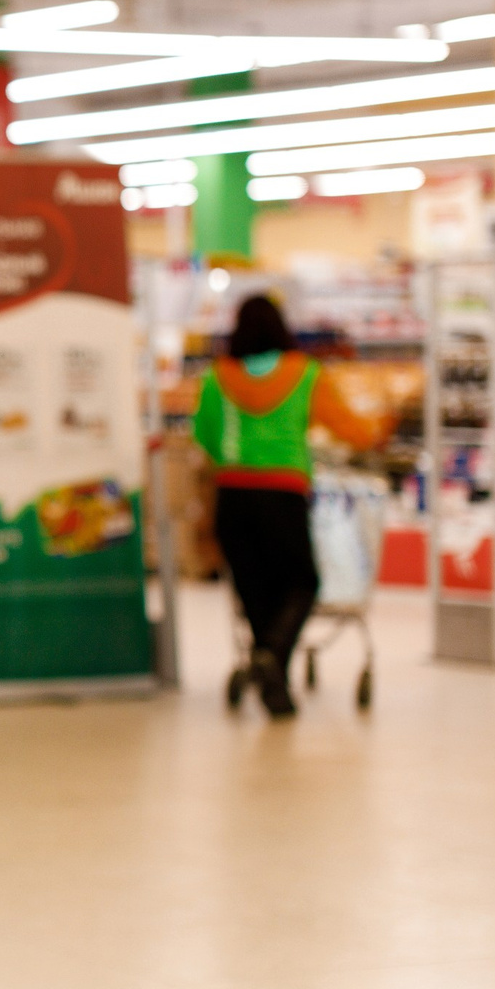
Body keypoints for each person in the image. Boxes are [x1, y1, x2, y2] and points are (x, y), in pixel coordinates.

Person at [195, 293, 321, 719]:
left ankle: (275, 689)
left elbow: (204, 436)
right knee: (303, 583)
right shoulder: (304, 374)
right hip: (283, 493)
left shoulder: (217, 378)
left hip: (232, 495)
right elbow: (339, 423)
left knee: (256, 593)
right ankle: (271, 657)